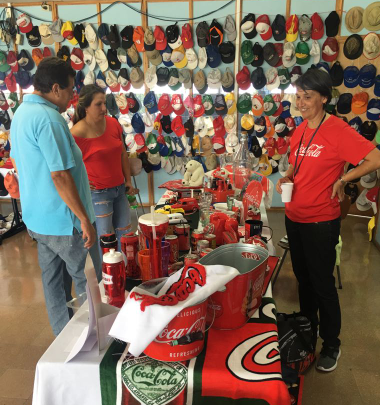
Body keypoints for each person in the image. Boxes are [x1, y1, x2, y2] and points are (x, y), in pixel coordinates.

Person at [276, 69, 380, 372]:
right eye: (299, 96)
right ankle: (309, 330)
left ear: (323, 97)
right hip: (294, 217)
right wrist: (288, 175)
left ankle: (332, 343)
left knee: (322, 284)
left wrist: (344, 177)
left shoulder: (336, 129)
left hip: (321, 220)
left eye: (308, 96)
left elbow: (374, 158)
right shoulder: (301, 129)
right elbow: (297, 162)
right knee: (304, 280)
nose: (301, 102)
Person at [10, 57, 102, 336]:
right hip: (65, 221)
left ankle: (64, 339)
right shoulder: (49, 120)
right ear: (55, 88)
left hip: (39, 220)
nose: (73, 96)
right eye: (71, 89)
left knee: (53, 283)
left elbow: (20, 162)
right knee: (88, 279)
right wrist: (84, 219)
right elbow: (59, 175)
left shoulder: (22, 113)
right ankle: (95, 340)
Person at [71, 84, 137, 251]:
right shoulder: (77, 133)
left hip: (119, 189)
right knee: (105, 240)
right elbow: (69, 167)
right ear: (85, 107)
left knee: (126, 236)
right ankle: (107, 276)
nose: (103, 108)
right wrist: (83, 184)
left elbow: (122, 153)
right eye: (98, 104)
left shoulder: (113, 123)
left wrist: (128, 180)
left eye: (104, 103)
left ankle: (125, 273)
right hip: (98, 193)